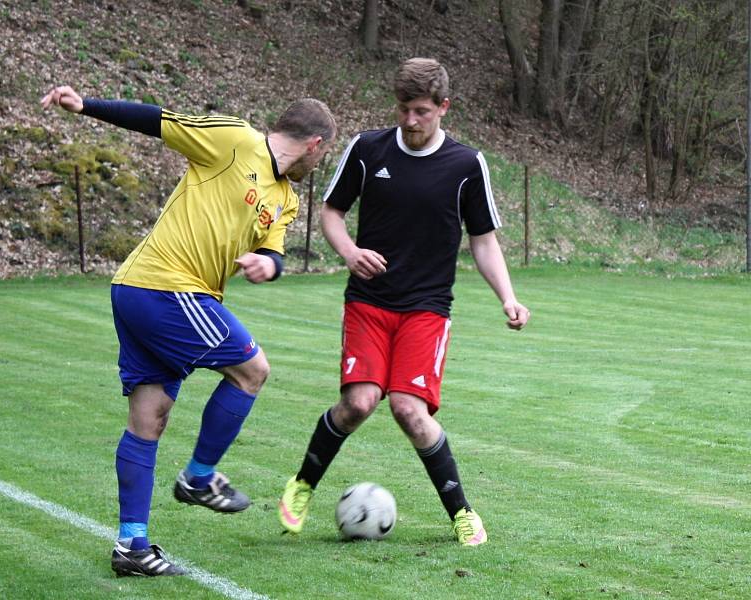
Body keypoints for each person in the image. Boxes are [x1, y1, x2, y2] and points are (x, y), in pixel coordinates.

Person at [41, 86, 336, 576]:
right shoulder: (234, 139)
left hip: (148, 293)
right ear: (315, 144)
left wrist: (269, 266)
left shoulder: (285, 199)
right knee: (252, 371)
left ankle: (131, 546)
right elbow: (158, 121)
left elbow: (275, 252)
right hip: (164, 287)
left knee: (149, 419)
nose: (317, 166)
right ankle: (199, 477)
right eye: (322, 156)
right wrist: (87, 106)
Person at [277, 58, 530, 546]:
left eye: (420, 111)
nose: (410, 121)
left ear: (442, 108)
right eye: (403, 109)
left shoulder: (465, 165)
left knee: (411, 412)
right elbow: (331, 212)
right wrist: (349, 251)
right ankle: (303, 485)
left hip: (427, 309)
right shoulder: (368, 149)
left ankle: (462, 512)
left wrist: (508, 298)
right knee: (358, 403)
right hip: (369, 303)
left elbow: (483, 240)